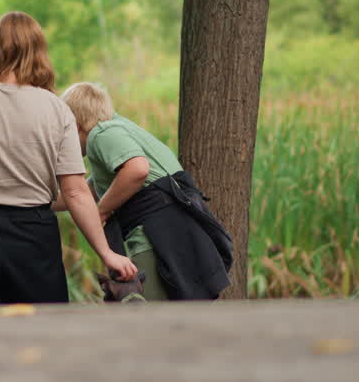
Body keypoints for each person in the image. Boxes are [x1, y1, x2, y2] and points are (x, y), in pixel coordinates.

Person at [0, 12, 136, 305]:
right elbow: (75, 191)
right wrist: (107, 253)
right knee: (41, 331)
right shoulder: (56, 108)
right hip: (31, 235)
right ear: (39, 51)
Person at [59, 82, 233, 301]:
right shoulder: (119, 129)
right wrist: (38, 200)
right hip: (180, 231)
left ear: (73, 124)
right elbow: (81, 191)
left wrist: (100, 213)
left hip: (155, 236)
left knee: (146, 313)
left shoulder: (100, 135)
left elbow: (137, 170)